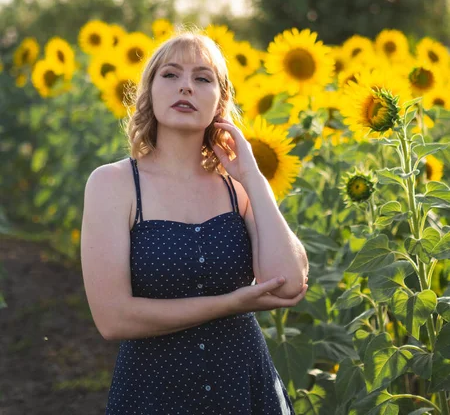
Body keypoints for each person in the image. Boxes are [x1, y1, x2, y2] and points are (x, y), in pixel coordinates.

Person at [81, 27, 309, 414]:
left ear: (219, 103)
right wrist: (229, 303)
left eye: (202, 79)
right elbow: (113, 318)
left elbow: (288, 284)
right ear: (149, 93)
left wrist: (253, 176)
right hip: (153, 392)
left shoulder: (237, 190)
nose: (186, 87)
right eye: (170, 75)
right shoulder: (113, 184)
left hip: (243, 386)